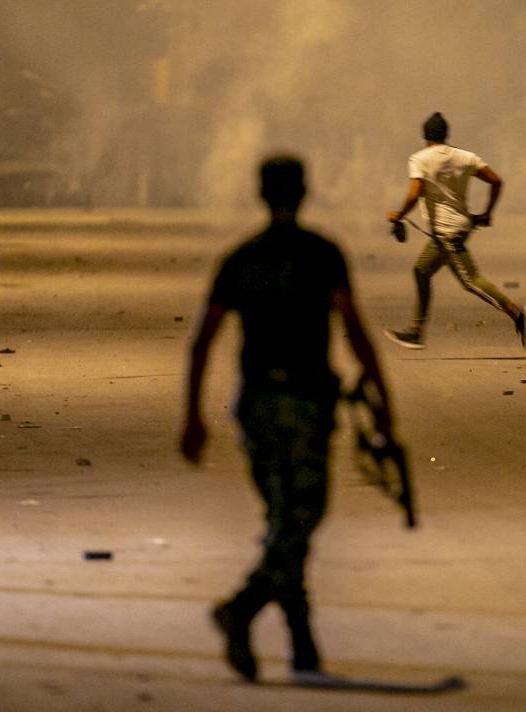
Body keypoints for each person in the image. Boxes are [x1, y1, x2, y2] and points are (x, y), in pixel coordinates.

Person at [181, 155, 394, 682]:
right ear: (304, 193)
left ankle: (303, 646)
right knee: (301, 516)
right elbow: (354, 328)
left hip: (253, 408)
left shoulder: (240, 259)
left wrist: (193, 417)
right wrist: (383, 398)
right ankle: (244, 608)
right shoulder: (323, 255)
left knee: (284, 519)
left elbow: (202, 342)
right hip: (303, 405)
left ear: (260, 193)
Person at [385, 112, 526, 349]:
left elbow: (414, 193)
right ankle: (416, 331)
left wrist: (399, 214)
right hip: (457, 227)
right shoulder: (466, 157)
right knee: (421, 271)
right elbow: (496, 181)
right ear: (446, 134)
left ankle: (517, 314)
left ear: (425, 136)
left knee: (470, 280)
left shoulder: (419, 159)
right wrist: (486, 213)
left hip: (447, 232)